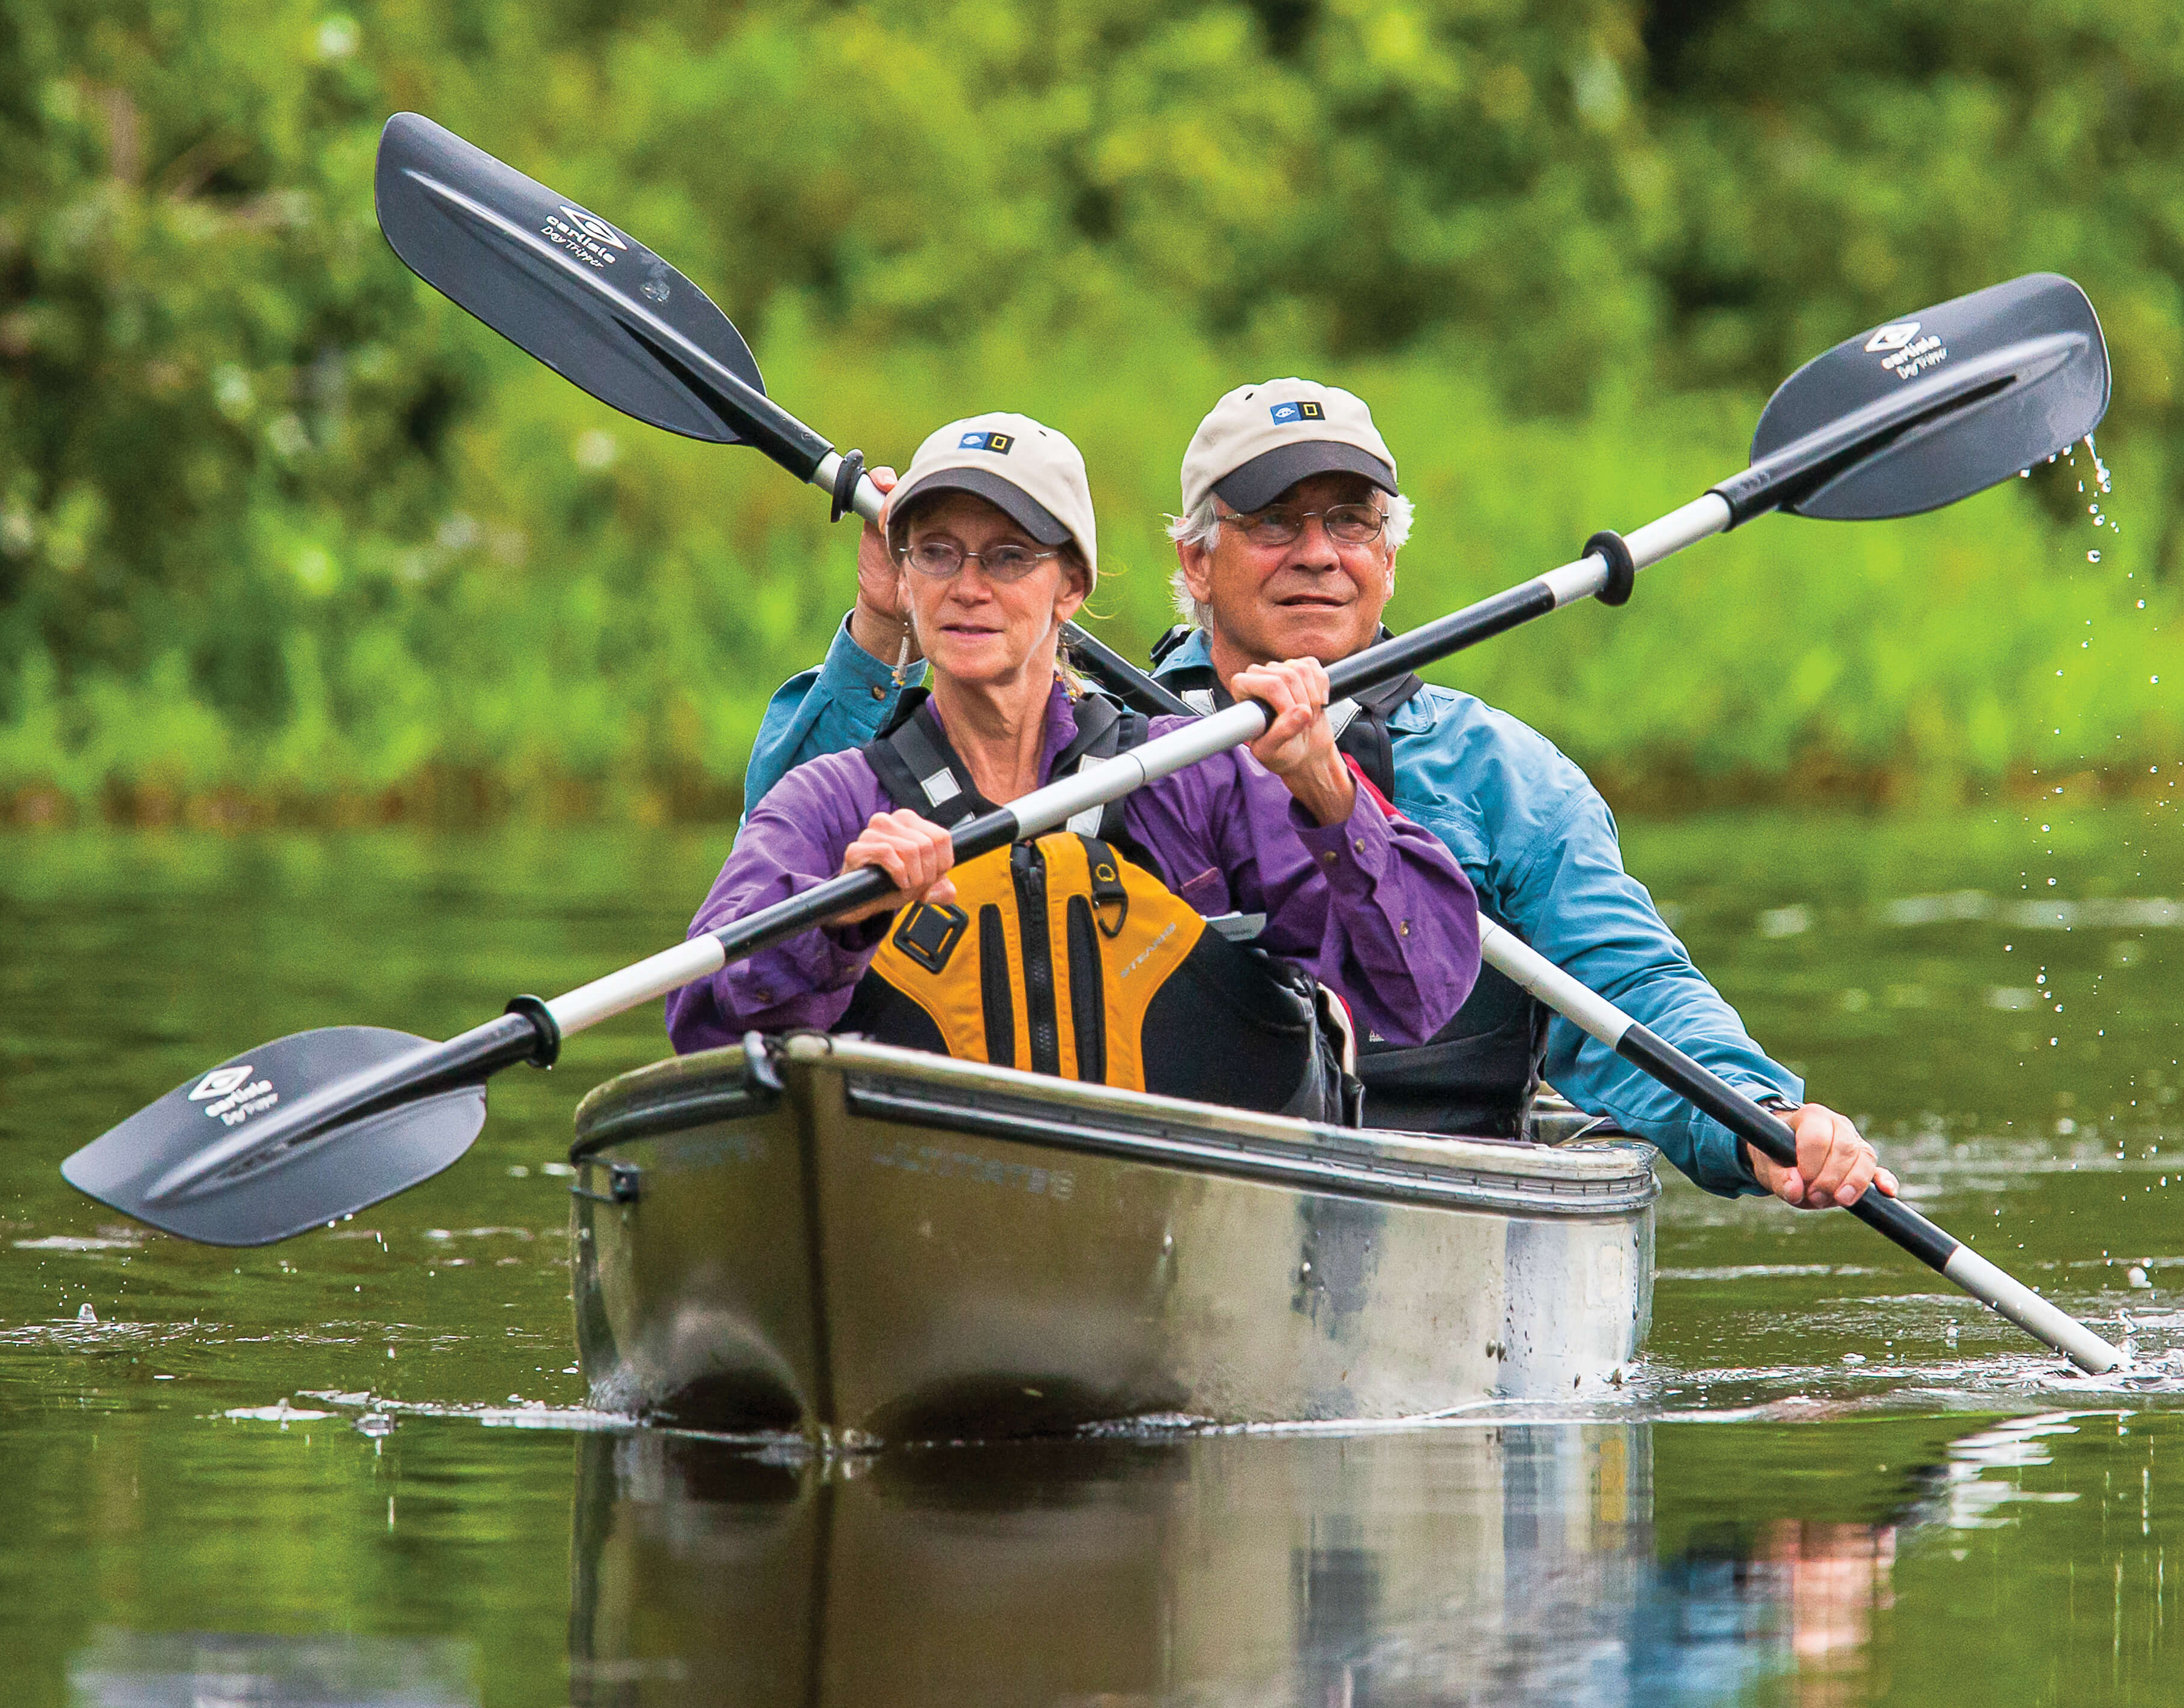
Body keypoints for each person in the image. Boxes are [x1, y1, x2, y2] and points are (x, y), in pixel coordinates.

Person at [744, 384, 1895, 1212]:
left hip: (1432, 1193)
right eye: (1271, 524)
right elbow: (781, 865)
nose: (1316, 555)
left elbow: (1633, 993)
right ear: (1193, 563)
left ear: (1390, 558)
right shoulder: (1098, 740)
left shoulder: (1505, 778)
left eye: (1350, 523)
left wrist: (1759, 1122)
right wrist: (885, 626)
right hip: (1114, 1194)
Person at [667, 412, 1480, 1120]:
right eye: (939, 555)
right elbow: (700, 1027)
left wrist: (1326, 789)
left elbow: (1420, 991)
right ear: (903, 582)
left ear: (1072, 586)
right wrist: (840, 926)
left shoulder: (1190, 777)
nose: (969, 588)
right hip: (928, 1206)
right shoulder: (835, 801)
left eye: (1010, 557)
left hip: (1182, 1223)